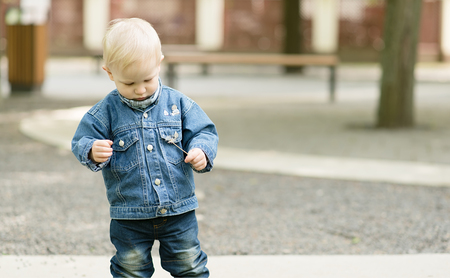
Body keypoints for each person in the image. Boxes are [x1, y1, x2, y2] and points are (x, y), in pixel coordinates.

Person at [72, 18, 218, 277]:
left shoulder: (178, 104)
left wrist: (202, 151)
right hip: (129, 216)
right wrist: (92, 150)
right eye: (128, 83)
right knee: (130, 269)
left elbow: (203, 131)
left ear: (159, 63)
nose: (140, 89)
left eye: (147, 79)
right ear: (110, 73)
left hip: (178, 211)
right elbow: (80, 141)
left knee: (190, 265)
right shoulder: (105, 112)